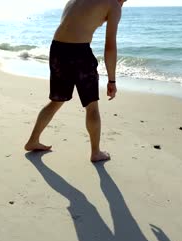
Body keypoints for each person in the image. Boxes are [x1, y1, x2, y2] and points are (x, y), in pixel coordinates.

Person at [24, 0, 126, 162]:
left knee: (56, 101)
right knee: (92, 105)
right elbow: (110, 46)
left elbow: (74, 23)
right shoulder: (113, 5)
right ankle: (96, 152)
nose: (123, 4)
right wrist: (112, 81)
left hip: (57, 49)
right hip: (79, 54)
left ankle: (33, 140)